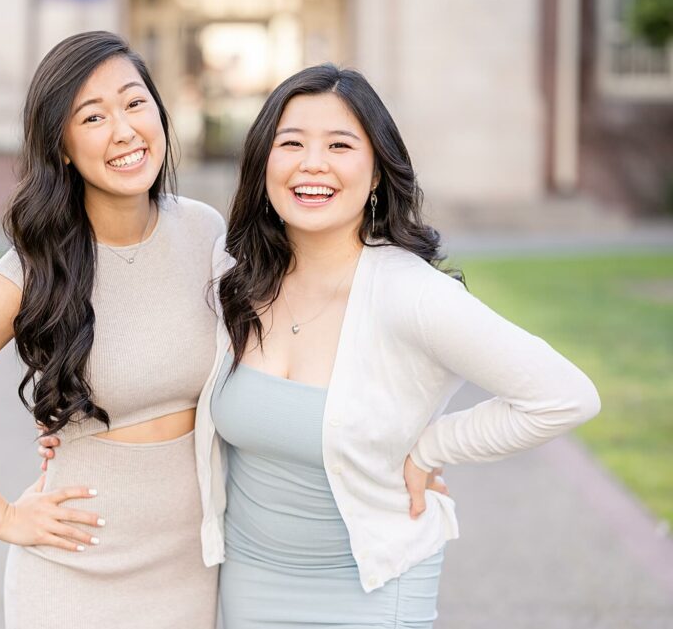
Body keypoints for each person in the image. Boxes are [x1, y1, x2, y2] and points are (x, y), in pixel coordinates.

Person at [42, 63, 600, 628]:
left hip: (370, 588)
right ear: (264, 166)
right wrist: (77, 419)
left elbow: (564, 396)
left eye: (340, 144)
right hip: (246, 585)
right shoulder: (237, 280)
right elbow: (149, 344)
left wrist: (431, 448)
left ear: (378, 172)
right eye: (292, 144)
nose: (313, 164)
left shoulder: (411, 294)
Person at [0, 31, 225, 629]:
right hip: (75, 575)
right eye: (92, 116)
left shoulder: (204, 231)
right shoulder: (32, 269)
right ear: (62, 146)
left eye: (135, 103)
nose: (123, 130)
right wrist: (4, 518)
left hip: (192, 568)